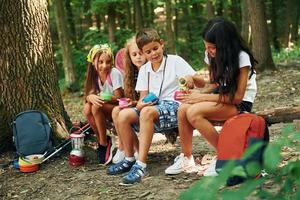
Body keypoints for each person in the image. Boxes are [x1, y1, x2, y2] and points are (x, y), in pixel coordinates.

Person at [165, 17, 258, 176]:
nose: (209, 51)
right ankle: (187, 158)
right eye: (206, 47)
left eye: (213, 48)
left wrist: (200, 98)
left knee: (194, 112)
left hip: (239, 104)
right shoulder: (211, 54)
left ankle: (226, 157)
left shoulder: (241, 58)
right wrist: (193, 83)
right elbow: (214, 84)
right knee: (183, 110)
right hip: (221, 96)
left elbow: (236, 97)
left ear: (226, 45)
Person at [107, 28, 200, 184]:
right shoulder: (145, 70)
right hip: (155, 107)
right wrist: (142, 104)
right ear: (143, 53)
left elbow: (200, 81)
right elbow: (143, 99)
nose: (153, 54)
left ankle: (141, 165)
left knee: (147, 113)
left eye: (155, 49)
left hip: (175, 106)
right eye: (148, 52)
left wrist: (191, 77)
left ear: (161, 44)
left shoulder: (175, 61)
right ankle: (130, 158)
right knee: (122, 114)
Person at [83, 43, 124, 165]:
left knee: (95, 107)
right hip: (102, 108)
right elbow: (89, 94)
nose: (104, 66)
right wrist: (90, 96)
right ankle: (104, 140)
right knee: (87, 108)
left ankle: (103, 144)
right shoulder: (93, 76)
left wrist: (104, 97)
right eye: (100, 62)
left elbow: (119, 98)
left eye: (107, 62)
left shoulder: (114, 73)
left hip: (116, 108)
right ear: (93, 62)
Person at [111, 36, 147, 164]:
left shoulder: (149, 70)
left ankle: (133, 150)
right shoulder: (131, 73)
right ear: (129, 57)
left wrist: (134, 104)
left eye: (141, 53)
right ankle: (125, 147)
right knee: (116, 110)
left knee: (122, 113)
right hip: (137, 107)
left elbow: (150, 98)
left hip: (147, 108)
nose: (138, 57)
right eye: (134, 54)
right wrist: (129, 102)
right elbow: (132, 96)